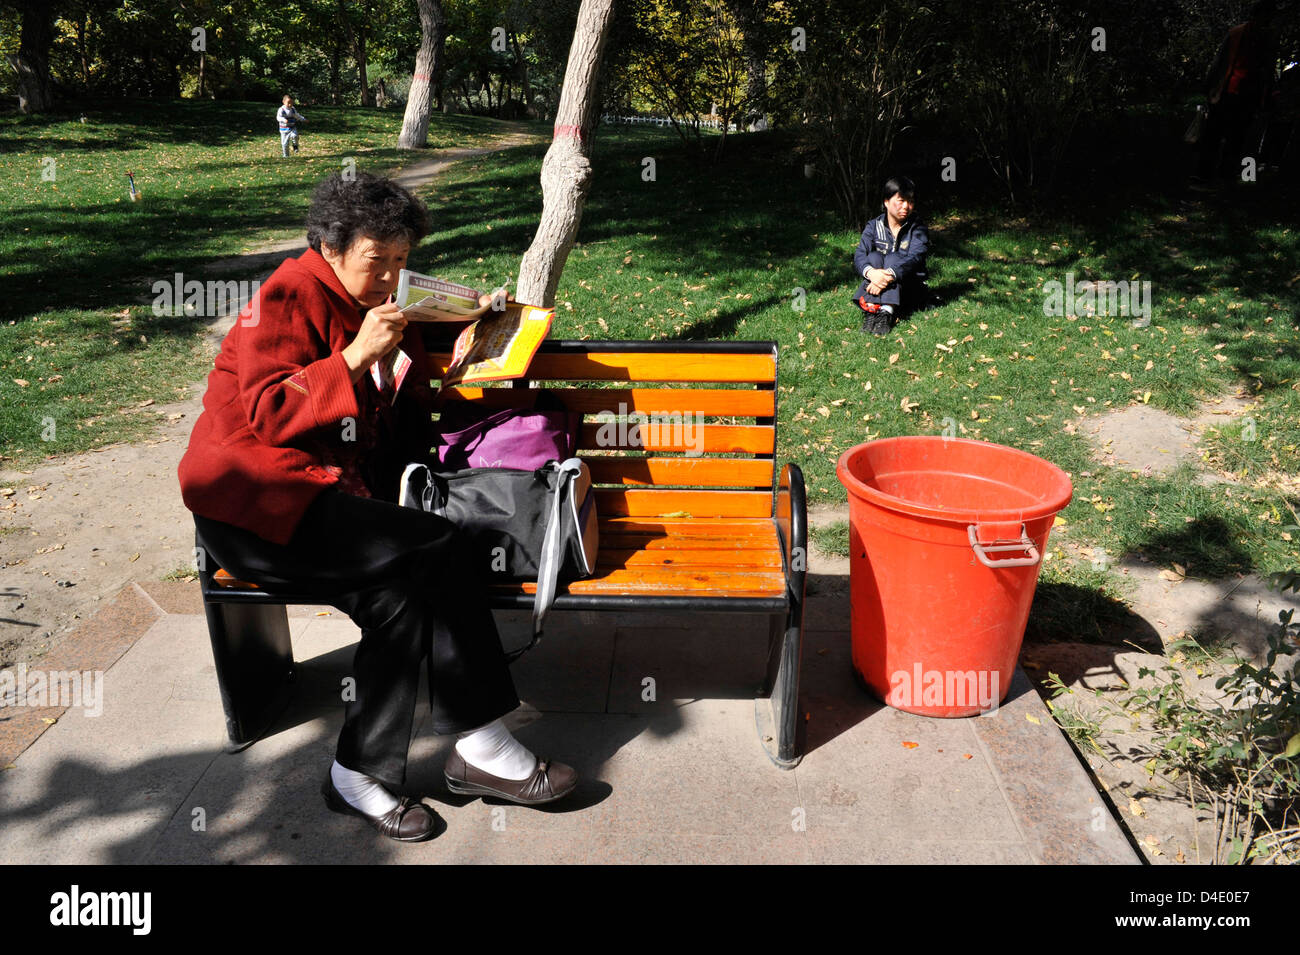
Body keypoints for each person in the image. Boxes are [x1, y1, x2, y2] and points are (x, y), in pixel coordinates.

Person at [178, 172, 577, 843]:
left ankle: (357, 773)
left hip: (327, 503)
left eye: (400, 260)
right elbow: (270, 413)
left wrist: (474, 335)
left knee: (401, 598)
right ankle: (481, 744)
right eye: (377, 260)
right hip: (258, 510)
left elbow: (410, 399)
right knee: (439, 544)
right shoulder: (286, 294)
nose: (391, 278)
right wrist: (356, 354)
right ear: (333, 249)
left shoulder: (389, 308)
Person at [1193, 0, 1280, 186]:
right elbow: (1221, 60)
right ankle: (1205, 174)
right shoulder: (1238, 33)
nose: (1266, 21)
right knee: (1215, 135)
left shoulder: (1268, 38)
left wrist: (1267, 96)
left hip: (1248, 95)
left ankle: (1225, 175)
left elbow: (1268, 69)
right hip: (1227, 91)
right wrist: (1210, 87)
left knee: (1236, 138)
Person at [850, 175, 930, 336]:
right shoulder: (874, 226)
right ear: (886, 202)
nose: (906, 206)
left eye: (911, 201)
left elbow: (915, 257)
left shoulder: (918, 227)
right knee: (873, 258)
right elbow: (860, 254)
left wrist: (888, 275)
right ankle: (874, 312)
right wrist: (871, 273)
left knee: (894, 258)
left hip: (909, 288)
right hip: (883, 282)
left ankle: (884, 312)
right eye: (901, 201)